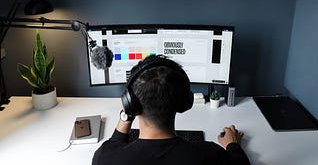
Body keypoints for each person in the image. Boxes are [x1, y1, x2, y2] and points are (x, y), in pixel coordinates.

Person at [92, 55, 250, 165]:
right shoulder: (209, 154)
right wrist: (233, 145)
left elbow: (113, 145)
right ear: (185, 102)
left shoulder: (105, 158)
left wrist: (127, 114)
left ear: (130, 104)